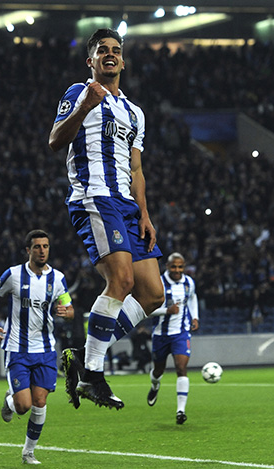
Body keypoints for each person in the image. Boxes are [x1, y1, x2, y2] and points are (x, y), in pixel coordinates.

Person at [48, 28, 164, 409]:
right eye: (102, 51)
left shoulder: (135, 112)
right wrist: (85, 106)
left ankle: (83, 357)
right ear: (91, 61)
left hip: (128, 207)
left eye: (116, 50)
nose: (110, 55)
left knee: (152, 294)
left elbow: (137, 169)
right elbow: (55, 140)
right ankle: (93, 376)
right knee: (122, 280)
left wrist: (145, 213)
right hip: (94, 196)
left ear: (123, 61)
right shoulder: (78, 92)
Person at [0, 229, 74, 465]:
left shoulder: (57, 278)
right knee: (23, 406)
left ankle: (28, 453)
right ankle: (10, 401)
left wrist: (67, 312)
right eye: (37, 247)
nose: (42, 251)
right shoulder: (13, 275)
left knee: (40, 402)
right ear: (28, 250)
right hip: (17, 348)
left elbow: (69, 306)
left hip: (45, 349)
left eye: (45, 246)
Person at [146, 252, 199, 425]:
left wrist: (195, 317)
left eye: (180, 267)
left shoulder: (188, 283)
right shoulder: (157, 283)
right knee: (158, 370)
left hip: (181, 334)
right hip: (161, 335)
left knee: (181, 367)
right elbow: (146, 310)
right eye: (174, 267)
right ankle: (155, 386)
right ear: (167, 267)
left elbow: (192, 298)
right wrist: (166, 311)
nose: (177, 270)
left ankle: (180, 411)